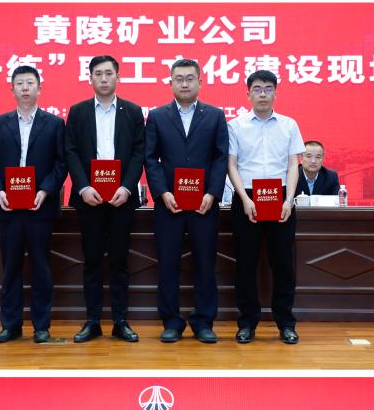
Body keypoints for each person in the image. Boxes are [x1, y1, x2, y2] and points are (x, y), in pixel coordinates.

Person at [0, 64, 66, 344]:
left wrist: (46, 190)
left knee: (41, 268)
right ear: (12, 89)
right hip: (8, 209)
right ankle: (11, 325)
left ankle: (42, 326)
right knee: (11, 268)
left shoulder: (54, 123)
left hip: (40, 208)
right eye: (20, 83)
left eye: (30, 83)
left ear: (40, 88)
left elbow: (61, 164)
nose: (25, 88)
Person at [145, 58, 229, 343]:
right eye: (179, 79)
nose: (184, 83)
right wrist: (162, 192)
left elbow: (220, 157)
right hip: (169, 204)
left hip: (204, 203)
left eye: (190, 78)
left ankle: (203, 321)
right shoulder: (157, 116)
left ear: (200, 82)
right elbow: (150, 158)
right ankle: (171, 321)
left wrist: (212, 193)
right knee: (168, 264)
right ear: (170, 83)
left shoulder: (215, 116)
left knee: (205, 263)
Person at [65, 55, 146, 344]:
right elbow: (71, 151)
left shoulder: (133, 111)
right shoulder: (78, 112)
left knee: (120, 260)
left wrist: (127, 186)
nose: (103, 78)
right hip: (90, 198)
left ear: (117, 77)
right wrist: (83, 187)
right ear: (90, 78)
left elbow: (139, 152)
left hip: (121, 198)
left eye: (109, 73)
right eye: (98, 73)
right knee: (92, 260)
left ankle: (120, 321)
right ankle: (93, 321)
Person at [227, 70, 305, 344]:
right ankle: (247, 323)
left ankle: (286, 322)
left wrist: (289, 199)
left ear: (276, 93)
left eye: (268, 88)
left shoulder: (289, 125)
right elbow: (231, 165)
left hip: (280, 196)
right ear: (248, 93)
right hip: (247, 197)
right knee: (245, 264)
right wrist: (244, 198)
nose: (263, 94)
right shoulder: (235, 125)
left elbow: (293, 165)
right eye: (257, 89)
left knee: (283, 264)